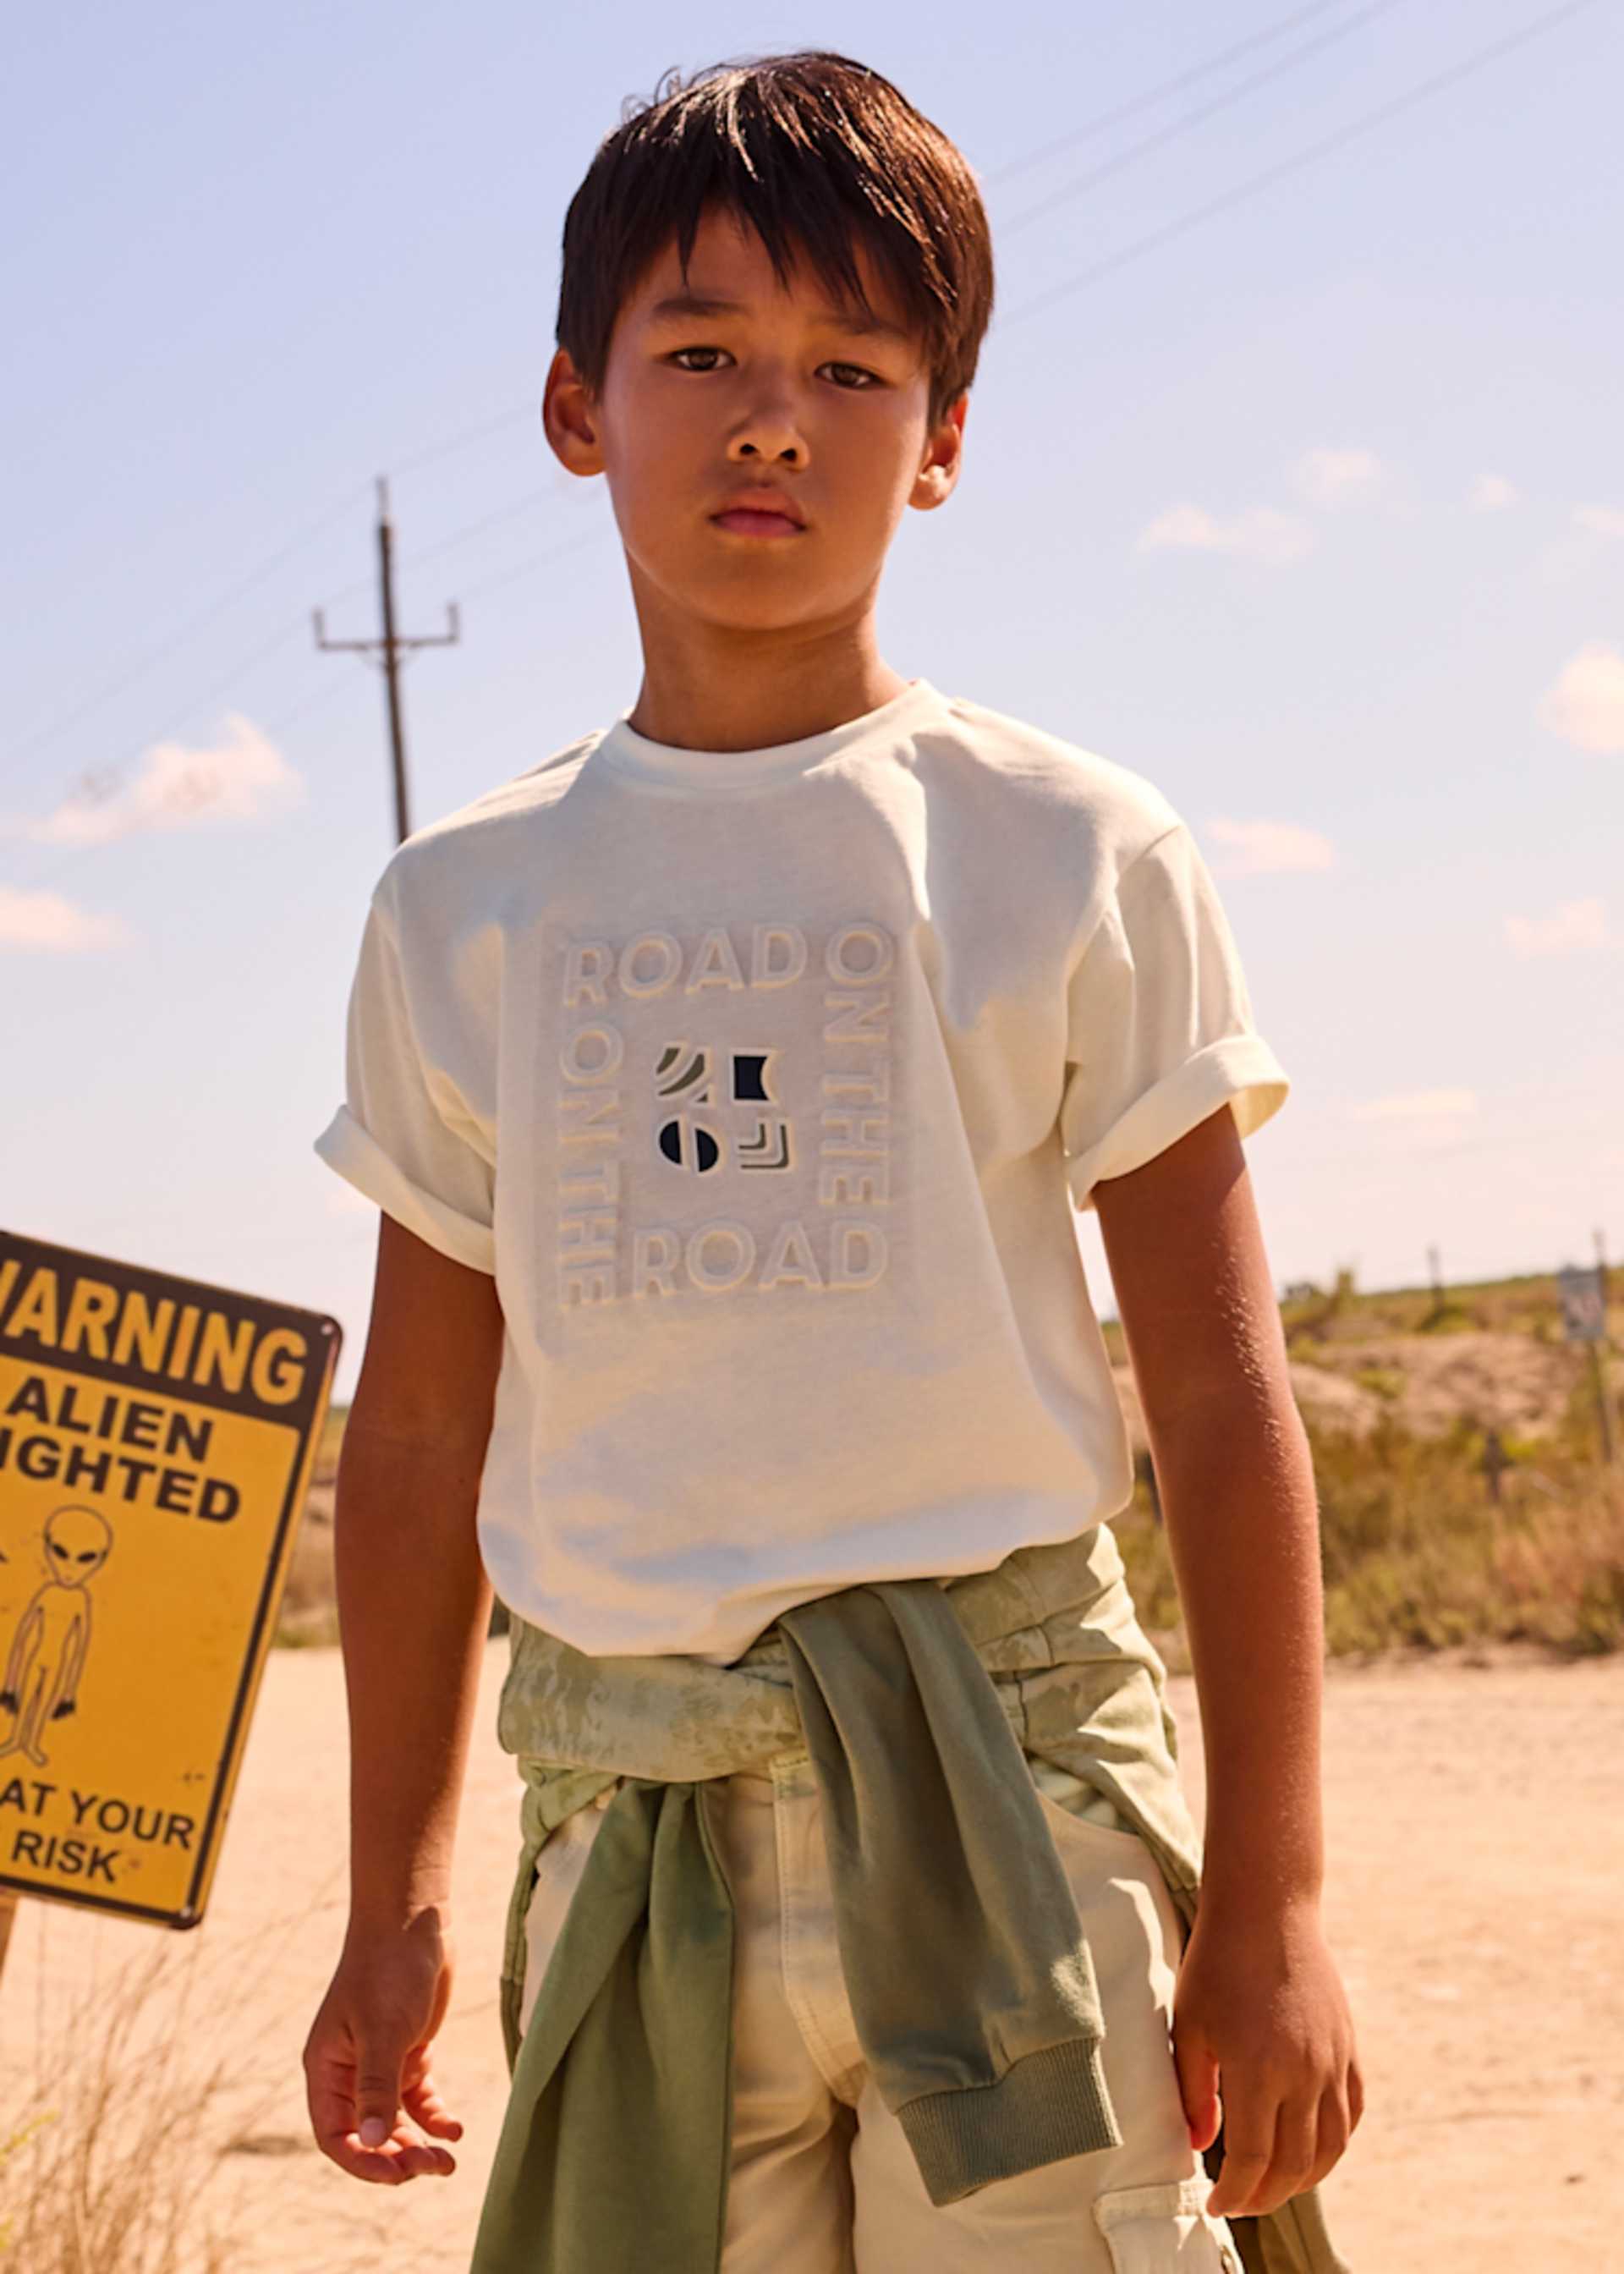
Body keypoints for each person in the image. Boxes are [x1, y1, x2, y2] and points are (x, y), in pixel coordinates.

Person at [301, 49, 1363, 2274]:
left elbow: (1226, 1397)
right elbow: (415, 1438)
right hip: (635, 1843)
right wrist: (391, 1902)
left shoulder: (1067, 849)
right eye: (700, 352)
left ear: (945, 438)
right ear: (580, 404)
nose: (771, 419)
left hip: (1019, 1827)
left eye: (852, 366)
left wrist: (1271, 1907)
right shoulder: (462, 907)